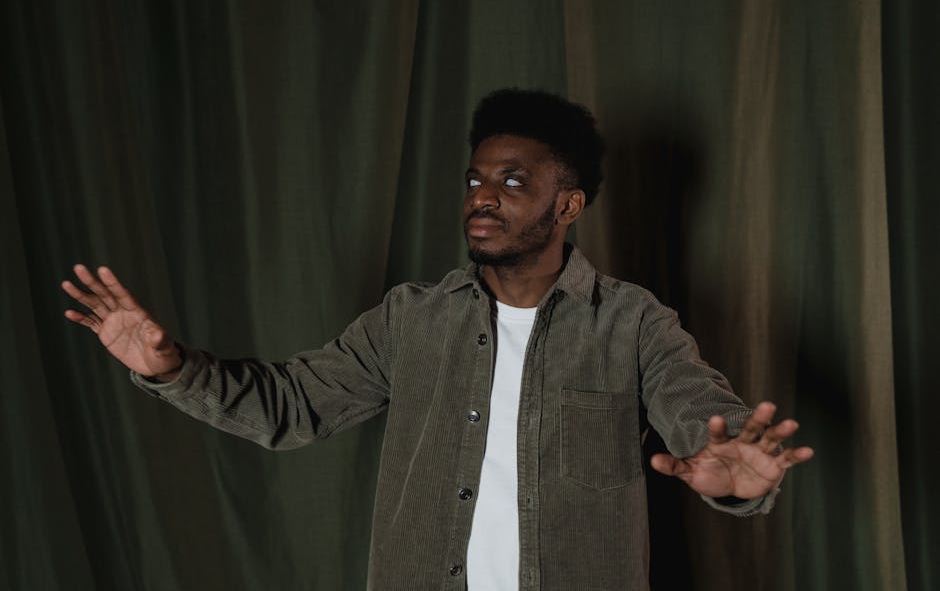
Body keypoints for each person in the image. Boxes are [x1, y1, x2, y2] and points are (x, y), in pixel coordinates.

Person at [62, 89, 814, 590]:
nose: (483, 196)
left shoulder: (633, 322)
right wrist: (169, 369)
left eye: (514, 182)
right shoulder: (411, 318)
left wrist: (738, 479)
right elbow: (290, 407)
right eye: (475, 178)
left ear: (570, 204)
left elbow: (698, 409)